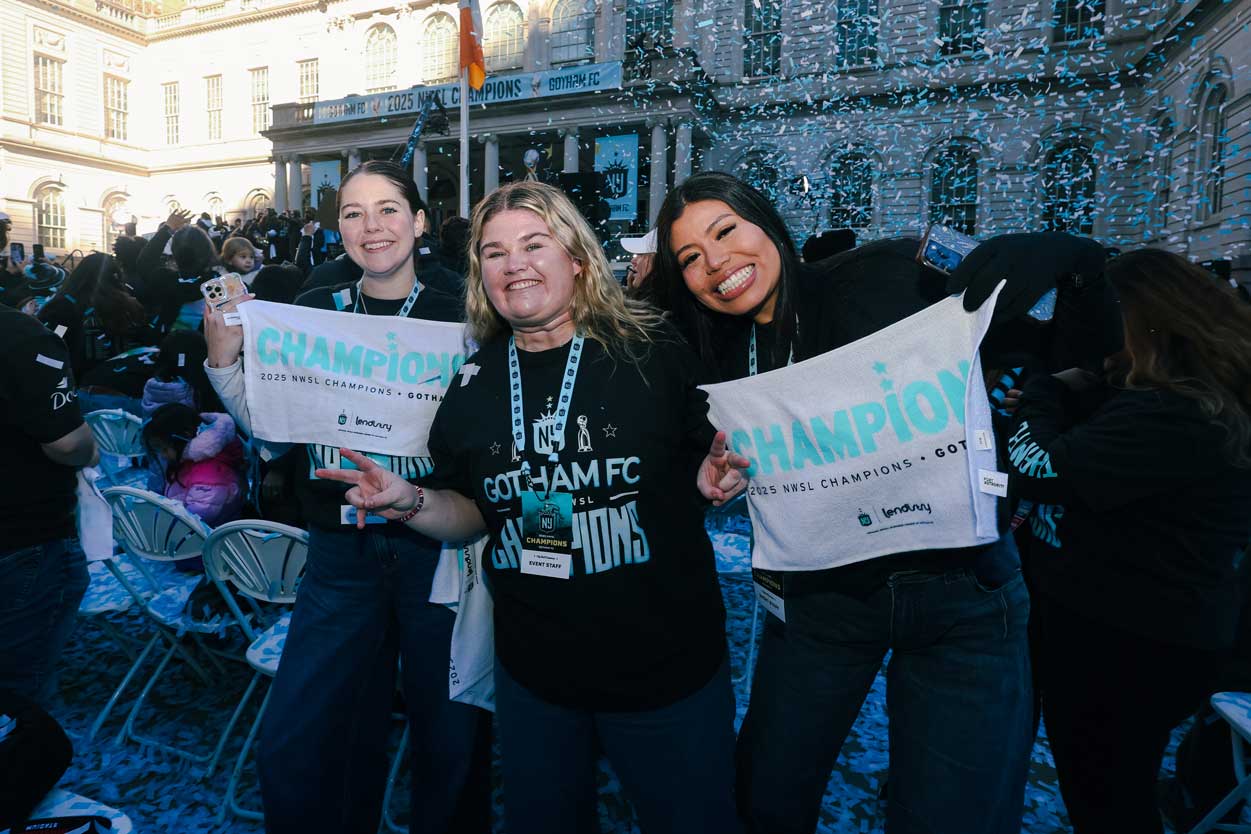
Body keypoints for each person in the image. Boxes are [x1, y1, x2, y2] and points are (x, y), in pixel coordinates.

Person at [648, 171, 1112, 834]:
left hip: (963, 598)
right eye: (690, 257)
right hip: (817, 603)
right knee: (764, 799)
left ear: (767, 221)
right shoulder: (712, 353)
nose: (714, 261)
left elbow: (1074, 352)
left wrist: (1075, 266)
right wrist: (714, 470)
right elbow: (702, 451)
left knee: (953, 816)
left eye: (724, 231)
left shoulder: (893, 270)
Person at [318, 180, 750, 834]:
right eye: (493, 252)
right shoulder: (471, 386)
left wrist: (709, 478)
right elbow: (472, 514)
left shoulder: (650, 350)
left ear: (576, 257)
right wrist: (410, 502)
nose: (513, 262)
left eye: (533, 244)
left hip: (666, 674)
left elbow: (699, 459)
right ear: (480, 275)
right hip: (535, 683)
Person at [203, 160, 490, 834]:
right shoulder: (314, 306)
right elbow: (274, 437)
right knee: (301, 739)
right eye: (354, 213)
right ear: (338, 230)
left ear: (419, 222)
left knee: (450, 741)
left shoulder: (467, 310)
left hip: (438, 553)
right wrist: (223, 361)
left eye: (388, 209)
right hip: (340, 551)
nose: (372, 226)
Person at [1007, 249, 1251, 834]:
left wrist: (1044, 394)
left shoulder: (1179, 415)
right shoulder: (1165, 399)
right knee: (1105, 788)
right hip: (1125, 632)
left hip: (1125, 645)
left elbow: (1040, 466)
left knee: (1108, 800)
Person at [0, 303, 96, 705]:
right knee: (16, 697)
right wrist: (91, 450)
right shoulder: (22, 337)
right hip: (22, 539)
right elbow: (67, 442)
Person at [38, 253, 155, 379]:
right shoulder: (129, 305)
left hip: (81, 383)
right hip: (125, 380)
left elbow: (55, 341)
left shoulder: (65, 307)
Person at [142, 404, 246, 531]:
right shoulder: (188, 460)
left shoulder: (210, 473)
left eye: (164, 448)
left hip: (207, 540)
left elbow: (194, 520)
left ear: (185, 436)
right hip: (191, 532)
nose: (162, 455)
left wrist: (160, 526)